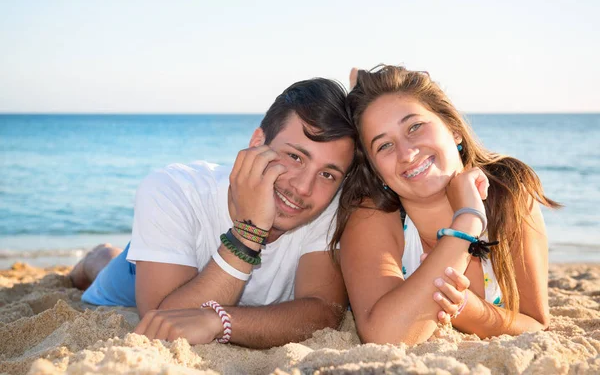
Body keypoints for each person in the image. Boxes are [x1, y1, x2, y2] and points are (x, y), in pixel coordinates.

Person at [70, 77, 356, 348]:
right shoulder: (174, 189)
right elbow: (163, 322)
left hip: (197, 281)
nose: (304, 188)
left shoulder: (329, 205)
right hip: (138, 275)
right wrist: (249, 231)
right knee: (102, 271)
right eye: (295, 156)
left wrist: (221, 320)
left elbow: (323, 310)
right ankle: (95, 258)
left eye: (328, 174)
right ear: (257, 142)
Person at [331, 65, 559, 346]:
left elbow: (535, 324)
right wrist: (467, 220)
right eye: (384, 146)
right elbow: (385, 336)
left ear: (454, 129)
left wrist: (467, 309)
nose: (407, 154)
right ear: (376, 171)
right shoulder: (371, 214)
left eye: (415, 127)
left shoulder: (509, 195)